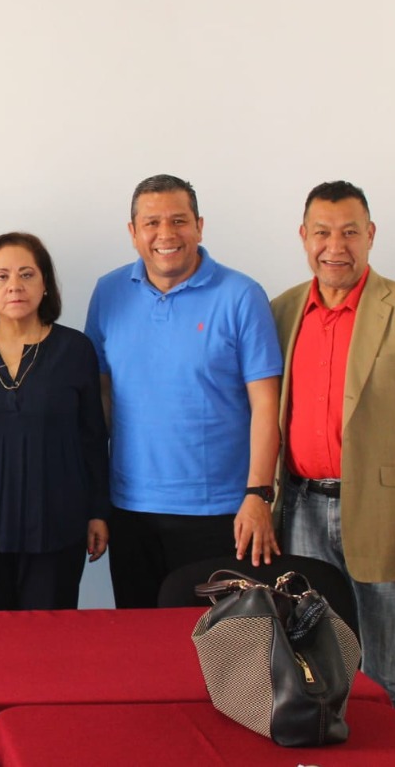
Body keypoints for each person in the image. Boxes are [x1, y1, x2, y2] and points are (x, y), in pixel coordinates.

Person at [272, 180, 395, 703]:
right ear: (303, 236)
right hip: (301, 510)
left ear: (371, 235)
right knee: (312, 658)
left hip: (385, 515)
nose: (335, 246)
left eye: (350, 232)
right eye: (322, 232)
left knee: (387, 665)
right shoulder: (283, 311)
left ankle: (393, 745)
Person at [84, 174, 283, 609]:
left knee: (216, 643)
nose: (166, 234)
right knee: (139, 637)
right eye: (152, 223)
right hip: (131, 509)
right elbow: (101, 400)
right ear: (133, 231)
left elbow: (267, 407)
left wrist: (259, 494)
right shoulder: (109, 293)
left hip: (220, 512)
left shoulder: (242, 296)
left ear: (199, 226)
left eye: (179, 221)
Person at [0, 233, 110, 610]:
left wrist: (98, 511)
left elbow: (93, 438)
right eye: (1, 276)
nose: (14, 285)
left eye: (27, 274)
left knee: (50, 637)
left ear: (46, 284)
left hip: (58, 524)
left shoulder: (76, 350)